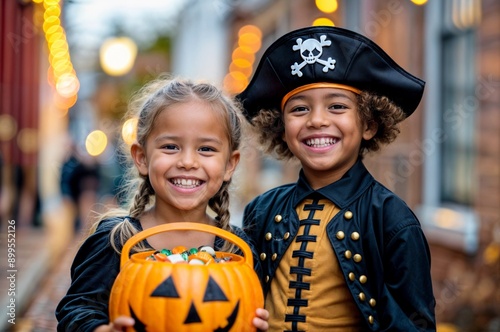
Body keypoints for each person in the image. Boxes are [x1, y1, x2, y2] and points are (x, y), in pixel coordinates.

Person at [237, 26, 436, 331]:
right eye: (300, 109)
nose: (317, 120)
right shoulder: (261, 210)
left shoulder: (392, 221)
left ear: (369, 124)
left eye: (337, 106)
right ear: (281, 128)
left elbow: (415, 323)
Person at [56, 76, 269, 331]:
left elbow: (248, 309)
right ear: (142, 157)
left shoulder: (239, 252)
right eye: (170, 147)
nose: (188, 161)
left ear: (230, 165)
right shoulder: (114, 242)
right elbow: (76, 311)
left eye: (206, 149)